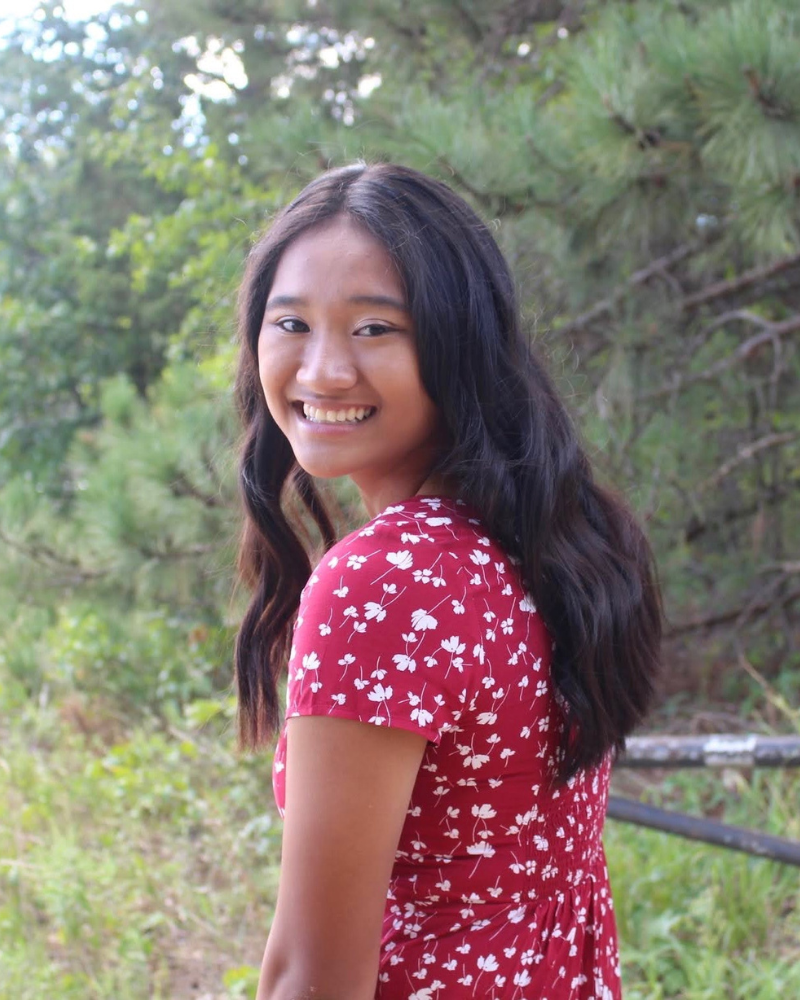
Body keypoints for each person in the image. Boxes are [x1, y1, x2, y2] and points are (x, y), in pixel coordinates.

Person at [233, 162, 662, 1000]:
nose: (321, 371)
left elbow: (313, 977)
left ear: (460, 341)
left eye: (374, 330)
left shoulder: (386, 584)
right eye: (292, 323)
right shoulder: (562, 533)